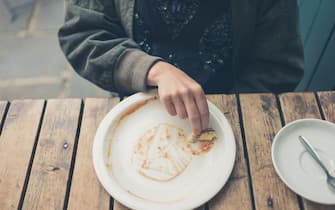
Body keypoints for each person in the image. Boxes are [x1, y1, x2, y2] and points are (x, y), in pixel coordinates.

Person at [58, 0, 304, 136]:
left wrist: (225, 116)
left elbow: (278, 66)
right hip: (134, 105)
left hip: (228, 115)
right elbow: (82, 35)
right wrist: (152, 69)